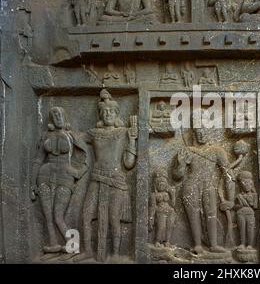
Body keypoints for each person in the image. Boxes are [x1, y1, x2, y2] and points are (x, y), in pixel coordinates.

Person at [75, 90, 138, 263]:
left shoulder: (124, 132)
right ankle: (88, 250)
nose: (108, 114)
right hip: (96, 178)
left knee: (113, 218)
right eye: (105, 111)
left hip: (116, 180)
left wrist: (132, 140)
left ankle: (115, 253)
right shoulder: (93, 133)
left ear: (117, 114)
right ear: (100, 115)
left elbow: (129, 164)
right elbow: (75, 138)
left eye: (112, 111)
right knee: (86, 215)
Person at [31, 107, 88, 255]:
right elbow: (38, 160)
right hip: (45, 175)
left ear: (64, 116)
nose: (57, 117)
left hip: (65, 175)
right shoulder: (45, 136)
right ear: (51, 119)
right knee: (47, 215)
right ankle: (53, 244)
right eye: (54, 115)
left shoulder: (70, 135)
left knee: (58, 215)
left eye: (59, 114)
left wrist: (78, 172)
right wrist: (32, 182)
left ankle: (73, 245)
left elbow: (86, 156)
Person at [173, 127, 234, 255]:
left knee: (211, 214)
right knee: (193, 215)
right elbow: (177, 176)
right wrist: (181, 164)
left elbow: (228, 174)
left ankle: (213, 244)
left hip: (208, 185)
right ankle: (197, 245)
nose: (203, 134)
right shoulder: (187, 151)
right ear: (193, 133)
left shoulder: (216, 151)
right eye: (199, 131)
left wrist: (231, 199)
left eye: (206, 130)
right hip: (190, 185)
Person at [149, 169, 176, 247]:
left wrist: (173, 195)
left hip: (170, 211)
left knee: (169, 227)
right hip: (160, 211)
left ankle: (167, 241)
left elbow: (173, 204)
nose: (161, 186)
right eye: (159, 184)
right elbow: (153, 207)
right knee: (161, 227)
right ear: (156, 185)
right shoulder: (154, 195)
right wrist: (151, 218)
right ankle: (157, 241)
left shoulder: (168, 192)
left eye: (163, 184)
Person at [235, 171, 258, 249]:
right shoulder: (239, 195)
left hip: (250, 213)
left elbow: (254, 206)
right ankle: (242, 243)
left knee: (250, 229)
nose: (246, 186)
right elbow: (236, 206)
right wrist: (239, 204)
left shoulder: (254, 195)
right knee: (242, 229)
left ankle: (250, 244)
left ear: (251, 184)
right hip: (240, 213)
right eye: (244, 184)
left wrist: (248, 199)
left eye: (249, 184)